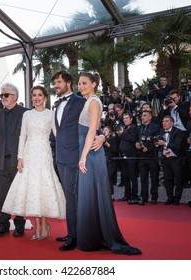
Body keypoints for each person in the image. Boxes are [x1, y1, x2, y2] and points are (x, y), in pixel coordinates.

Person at [76, 72, 141, 255]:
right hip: (89, 150)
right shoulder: (89, 101)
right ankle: (92, 236)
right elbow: (100, 128)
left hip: (89, 153)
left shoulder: (94, 102)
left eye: (85, 83)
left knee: (90, 193)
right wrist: (103, 135)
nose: (81, 86)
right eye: (79, 83)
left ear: (94, 84)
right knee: (89, 195)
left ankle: (94, 237)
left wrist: (82, 157)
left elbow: (91, 132)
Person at [2, 86, 66, 240]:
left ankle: (45, 225)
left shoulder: (51, 114)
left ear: (45, 97)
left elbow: (58, 136)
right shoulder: (27, 115)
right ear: (32, 98)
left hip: (44, 155)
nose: (37, 98)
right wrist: (20, 157)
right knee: (33, 189)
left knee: (43, 188)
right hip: (29, 155)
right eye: (34, 95)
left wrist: (67, 151)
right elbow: (22, 136)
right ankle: (37, 226)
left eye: (40, 95)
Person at [51, 70, 104, 251]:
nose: (56, 85)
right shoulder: (56, 104)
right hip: (60, 157)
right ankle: (72, 231)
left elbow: (95, 124)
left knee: (72, 196)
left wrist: (103, 135)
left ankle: (74, 236)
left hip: (75, 156)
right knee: (68, 196)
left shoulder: (83, 100)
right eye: (55, 83)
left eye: (59, 82)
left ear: (68, 82)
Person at [0, 82, 29, 237]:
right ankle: (3, 225)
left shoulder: (26, 113)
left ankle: (20, 225)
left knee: (19, 193)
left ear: (15, 97)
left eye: (6, 95)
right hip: (2, 161)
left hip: (19, 161)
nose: (3, 98)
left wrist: (25, 157)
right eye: (1, 95)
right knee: (3, 195)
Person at [155, 116, 186, 205]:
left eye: (167, 121)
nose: (164, 123)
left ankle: (177, 198)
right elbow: (158, 144)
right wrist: (157, 144)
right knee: (167, 179)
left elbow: (178, 146)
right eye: (163, 121)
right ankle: (170, 197)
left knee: (178, 179)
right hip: (165, 158)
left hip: (176, 159)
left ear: (172, 123)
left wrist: (165, 143)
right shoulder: (161, 132)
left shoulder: (178, 132)